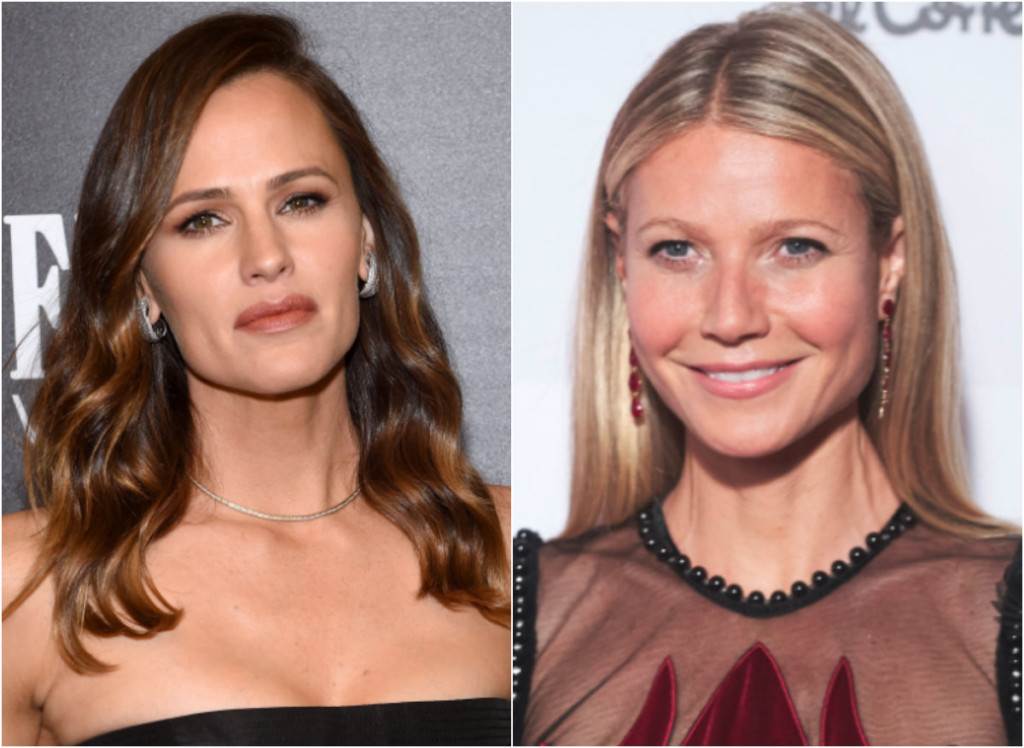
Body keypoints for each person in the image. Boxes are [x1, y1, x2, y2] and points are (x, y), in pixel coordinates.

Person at [514, 6, 1021, 746]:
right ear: (621, 265)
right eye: (677, 251)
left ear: (890, 263)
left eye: (795, 248)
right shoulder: (521, 613)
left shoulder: (1002, 615)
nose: (731, 317)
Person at [3, 12, 510, 746]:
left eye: (301, 201)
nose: (266, 256)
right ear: (143, 284)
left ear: (365, 241)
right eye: (202, 221)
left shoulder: (521, 558)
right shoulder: (27, 588)